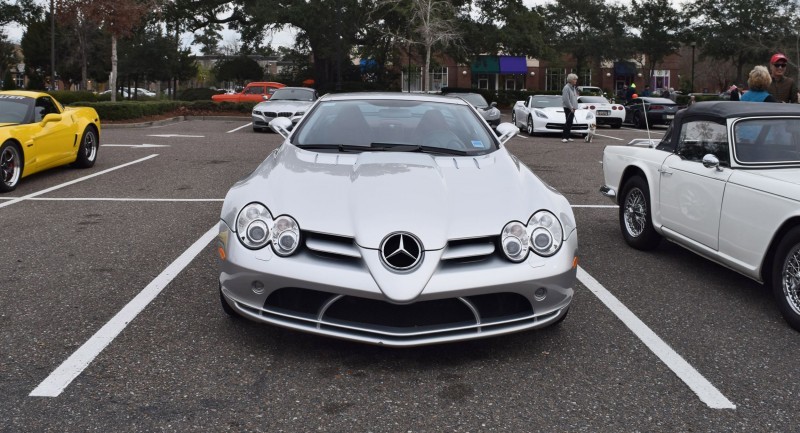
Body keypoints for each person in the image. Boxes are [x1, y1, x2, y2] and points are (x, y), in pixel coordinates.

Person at [561, 73, 578, 143]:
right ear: (570, 80)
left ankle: (567, 136)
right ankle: (564, 137)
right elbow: (566, 99)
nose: (576, 81)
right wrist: (571, 107)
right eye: (574, 79)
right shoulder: (566, 88)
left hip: (572, 108)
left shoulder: (573, 87)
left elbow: (574, 98)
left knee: (570, 122)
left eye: (576, 79)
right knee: (568, 122)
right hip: (568, 108)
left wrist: (574, 107)